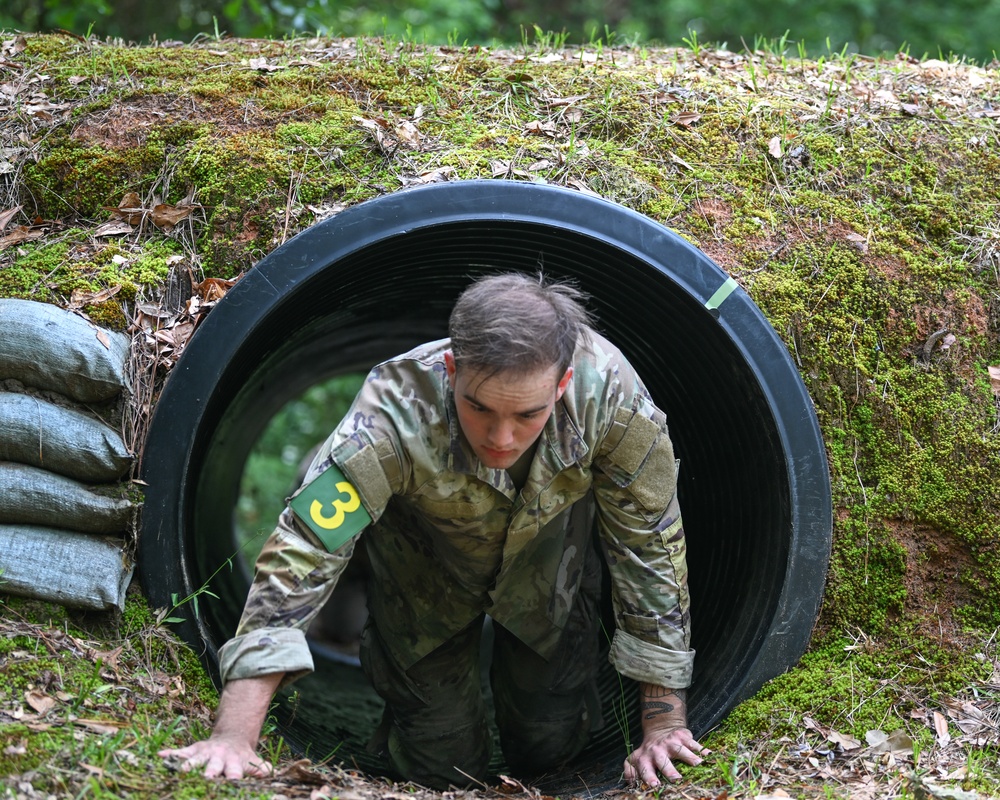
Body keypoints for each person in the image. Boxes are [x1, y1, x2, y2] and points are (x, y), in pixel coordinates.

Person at [159, 273, 707, 788]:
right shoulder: (394, 413)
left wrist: (662, 723)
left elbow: (650, 546)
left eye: (527, 415)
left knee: (548, 742)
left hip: (549, 572)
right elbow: (306, 548)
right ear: (451, 368)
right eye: (479, 407)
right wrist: (234, 735)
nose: (501, 437)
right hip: (424, 579)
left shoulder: (611, 402)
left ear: (562, 384)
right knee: (441, 763)